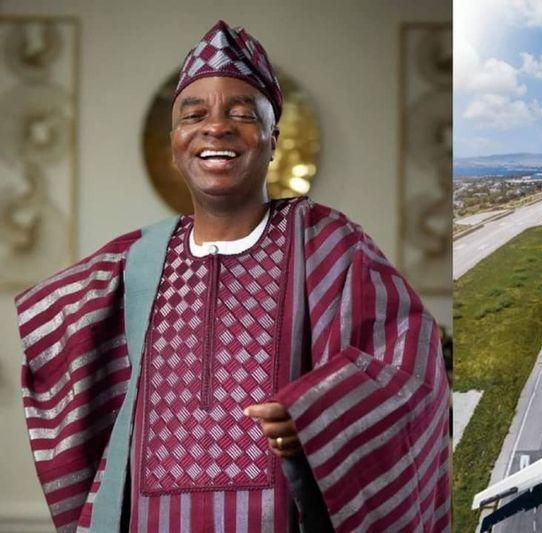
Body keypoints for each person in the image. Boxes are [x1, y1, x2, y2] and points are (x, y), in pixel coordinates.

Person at [15, 20, 450, 532]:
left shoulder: (326, 243)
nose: (215, 127)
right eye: (193, 114)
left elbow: (406, 364)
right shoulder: (136, 262)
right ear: (176, 142)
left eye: (242, 114)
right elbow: (54, 342)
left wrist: (314, 415)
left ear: (273, 138)